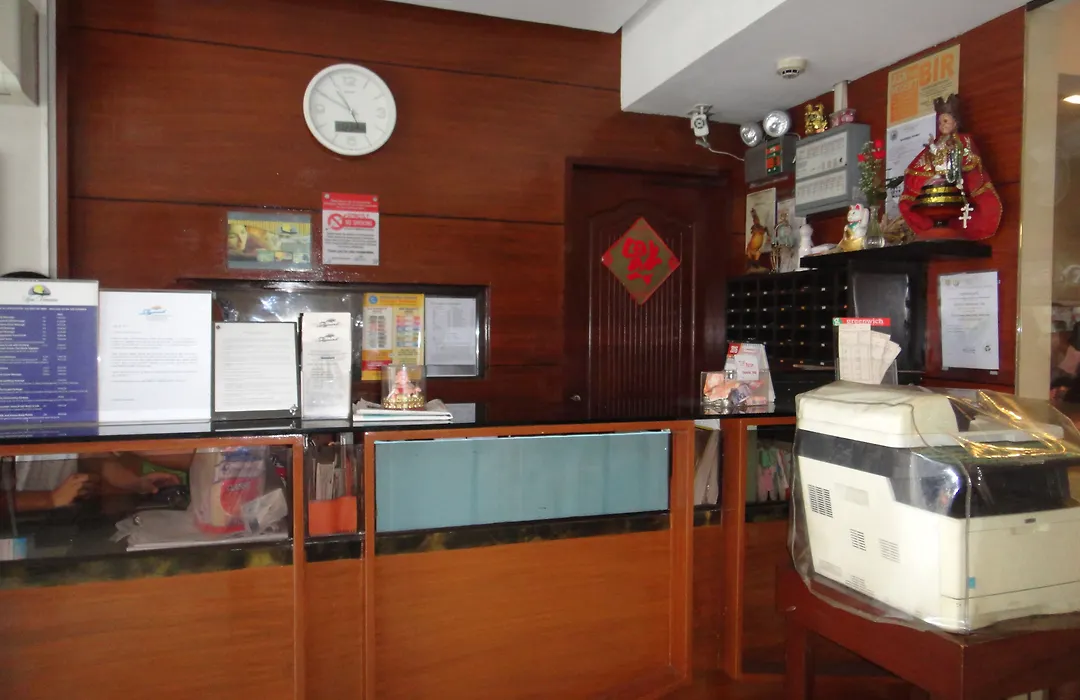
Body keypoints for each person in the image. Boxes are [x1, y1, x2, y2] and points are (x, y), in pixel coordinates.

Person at [898, 93, 1002, 240]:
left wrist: (955, 155)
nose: (942, 125)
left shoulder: (962, 140)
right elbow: (929, 157)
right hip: (938, 174)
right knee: (929, 186)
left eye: (946, 121)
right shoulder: (938, 142)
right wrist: (931, 148)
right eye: (940, 122)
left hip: (952, 177)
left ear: (955, 123)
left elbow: (970, 159)